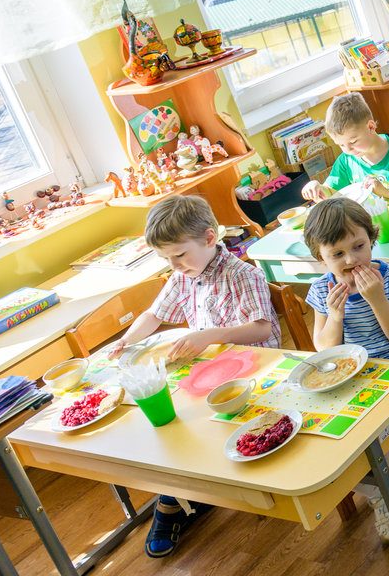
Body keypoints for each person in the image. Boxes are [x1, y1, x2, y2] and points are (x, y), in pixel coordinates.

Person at [109, 195, 281, 558]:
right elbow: (154, 315)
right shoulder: (182, 275)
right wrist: (126, 340)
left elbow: (260, 328)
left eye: (178, 255)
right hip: (209, 370)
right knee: (166, 421)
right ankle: (182, 490)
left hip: (256, 370)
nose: (173, 265)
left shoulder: (242, 274)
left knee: (183, 423)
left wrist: (209, 335)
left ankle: (171, 502)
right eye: (166, 259)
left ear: (208, 238)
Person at [303, 196, 389, 539]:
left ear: (371, 239)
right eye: (337, 254)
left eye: (359, 246)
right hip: (352, 381)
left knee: (373, 437)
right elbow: (325, 351)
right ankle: (381, 494)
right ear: (320, 257)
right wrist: (335, 315)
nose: (351, 260)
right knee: (322, 437)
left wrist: (376, 299)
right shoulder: (322, 290)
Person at [301, 91, 389, 201]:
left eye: (353, 142)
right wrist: (316, 186)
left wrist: (387, 192)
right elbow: (330, 192)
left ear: (370, 127)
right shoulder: (345, 161)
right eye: (341, 145)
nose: (348, 150)